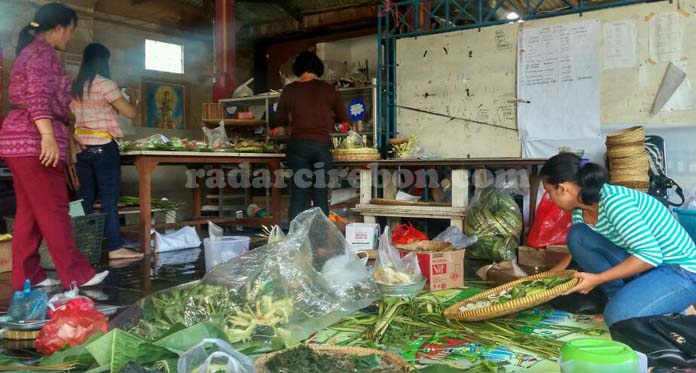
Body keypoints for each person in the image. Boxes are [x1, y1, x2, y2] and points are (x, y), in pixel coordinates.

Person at [0, 3, 108, 290]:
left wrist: (62, 135)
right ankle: (78, 273)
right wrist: (48, 135)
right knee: (55, 209)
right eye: (71, 30)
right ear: (59, 28)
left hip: (20, 141)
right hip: (34, 142)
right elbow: (37, 97)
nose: (70, 37)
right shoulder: (41, 54)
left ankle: (28, 276)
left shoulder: (34, 52)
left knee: (30, 213)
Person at [541, 152, 696, 326]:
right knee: (577, 236)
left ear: (562, 189)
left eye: (548, 192)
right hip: (646, 267)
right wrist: (543, 282)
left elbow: (650, 256)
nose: (549, 198)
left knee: (617, 318)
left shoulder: (615, 203)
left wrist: (598, 278)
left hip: (680, 271)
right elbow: (575, 253)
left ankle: (675, 306)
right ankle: (619, 296)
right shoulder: (581, 209)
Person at [70, 43, 142, 260]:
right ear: (103, 61)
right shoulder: (106, 84)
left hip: (81, 148)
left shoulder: (74, 85)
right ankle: (115, 248)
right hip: (104, 147)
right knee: (109, 199)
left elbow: (68, 117)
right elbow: (129, 113)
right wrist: (135, 96)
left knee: (83, 200)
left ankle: (82, 247)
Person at [275, 51, 347, 221]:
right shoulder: (329, 89)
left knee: (299, 196)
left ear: (298, 68)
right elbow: (343, 122)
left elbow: (279, 121)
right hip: (321, 147)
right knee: (321, 195)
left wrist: (278, 127)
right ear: (317, 68)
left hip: (298, 147)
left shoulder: (289, 90)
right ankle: (321, 243)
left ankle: (295, 242)